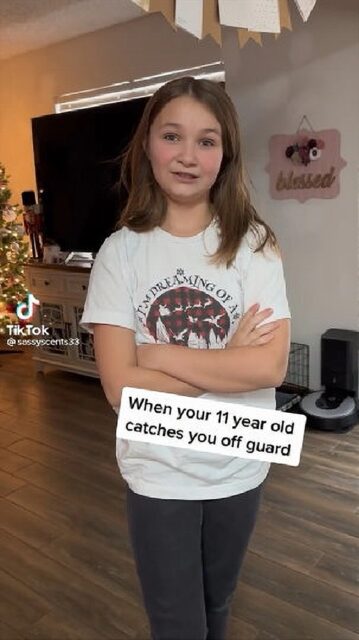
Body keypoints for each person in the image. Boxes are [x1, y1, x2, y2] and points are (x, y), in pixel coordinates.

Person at [80, 76, 291, 640]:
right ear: (148, 145)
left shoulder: (255, 245)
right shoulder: (119, 254)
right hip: (159, 471)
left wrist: (158, 356)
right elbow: (121, 391)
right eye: (173, 136)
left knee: (218, 604)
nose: (189, 156)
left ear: (226, 154)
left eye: (207, 140)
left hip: (239, 456)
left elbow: (268, 368)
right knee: (177, 624)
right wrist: (225, 359)